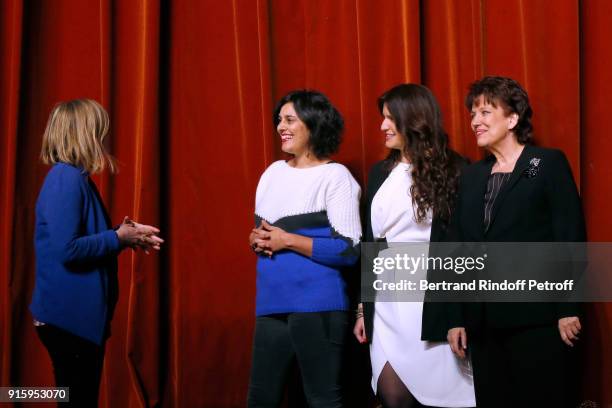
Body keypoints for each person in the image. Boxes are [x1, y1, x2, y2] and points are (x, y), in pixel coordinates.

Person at [447, 76, 586, 407]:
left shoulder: (541, 165)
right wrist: (454, 316)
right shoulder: (472, 176)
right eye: (473, 114)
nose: (475, 122)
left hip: (536, 317)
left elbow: (569, 239)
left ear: (512, 119)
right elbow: (459, 248)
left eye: (485, 112)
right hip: (483, 321)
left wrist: (568, 308)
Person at [30, 99, 164, 407]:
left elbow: (79, 238)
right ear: (84, 135)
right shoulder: (66, 180)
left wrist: (124, 235)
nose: (104, 139)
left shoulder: (73, 179)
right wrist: (118, 237)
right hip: (68, 320)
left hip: (72, 319)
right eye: (99, 131)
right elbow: (69, 249)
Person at [353, 84, 475, 408]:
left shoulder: (456, 169)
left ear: (413, 119)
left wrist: (457, 313)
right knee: (392, 394)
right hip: (388, 300)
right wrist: (364, 307)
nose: (382, 126)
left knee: (443, 394)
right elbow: (372, 246)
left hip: (431, 298)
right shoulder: (380, 172)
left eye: (390, 118)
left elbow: (460, 247)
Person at [246, 90, 361, 408]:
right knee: (260, 399)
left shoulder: (335, 177)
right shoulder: (271, 173)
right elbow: (264, 234)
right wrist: (256, 240)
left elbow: (349, 250)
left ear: (313, 125)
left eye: (290, 120)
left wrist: (288, 240)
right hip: (271, 304)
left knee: (322, 399)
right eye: (279, 120)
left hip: (318, 306)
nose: (281, 126)